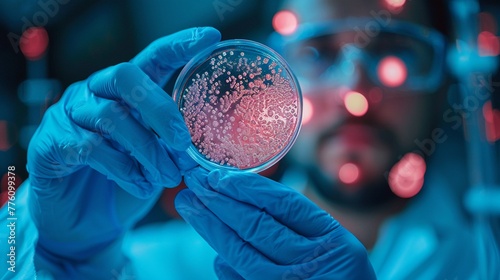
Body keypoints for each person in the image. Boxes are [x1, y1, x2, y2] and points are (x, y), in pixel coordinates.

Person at [0, 0, 491, 279]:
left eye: (396, 53)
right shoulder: (162, 264)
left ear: (444, 81)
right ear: (270, 73)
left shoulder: (487, 259)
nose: (353, 91)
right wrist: (62, 258)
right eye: (318, 53)